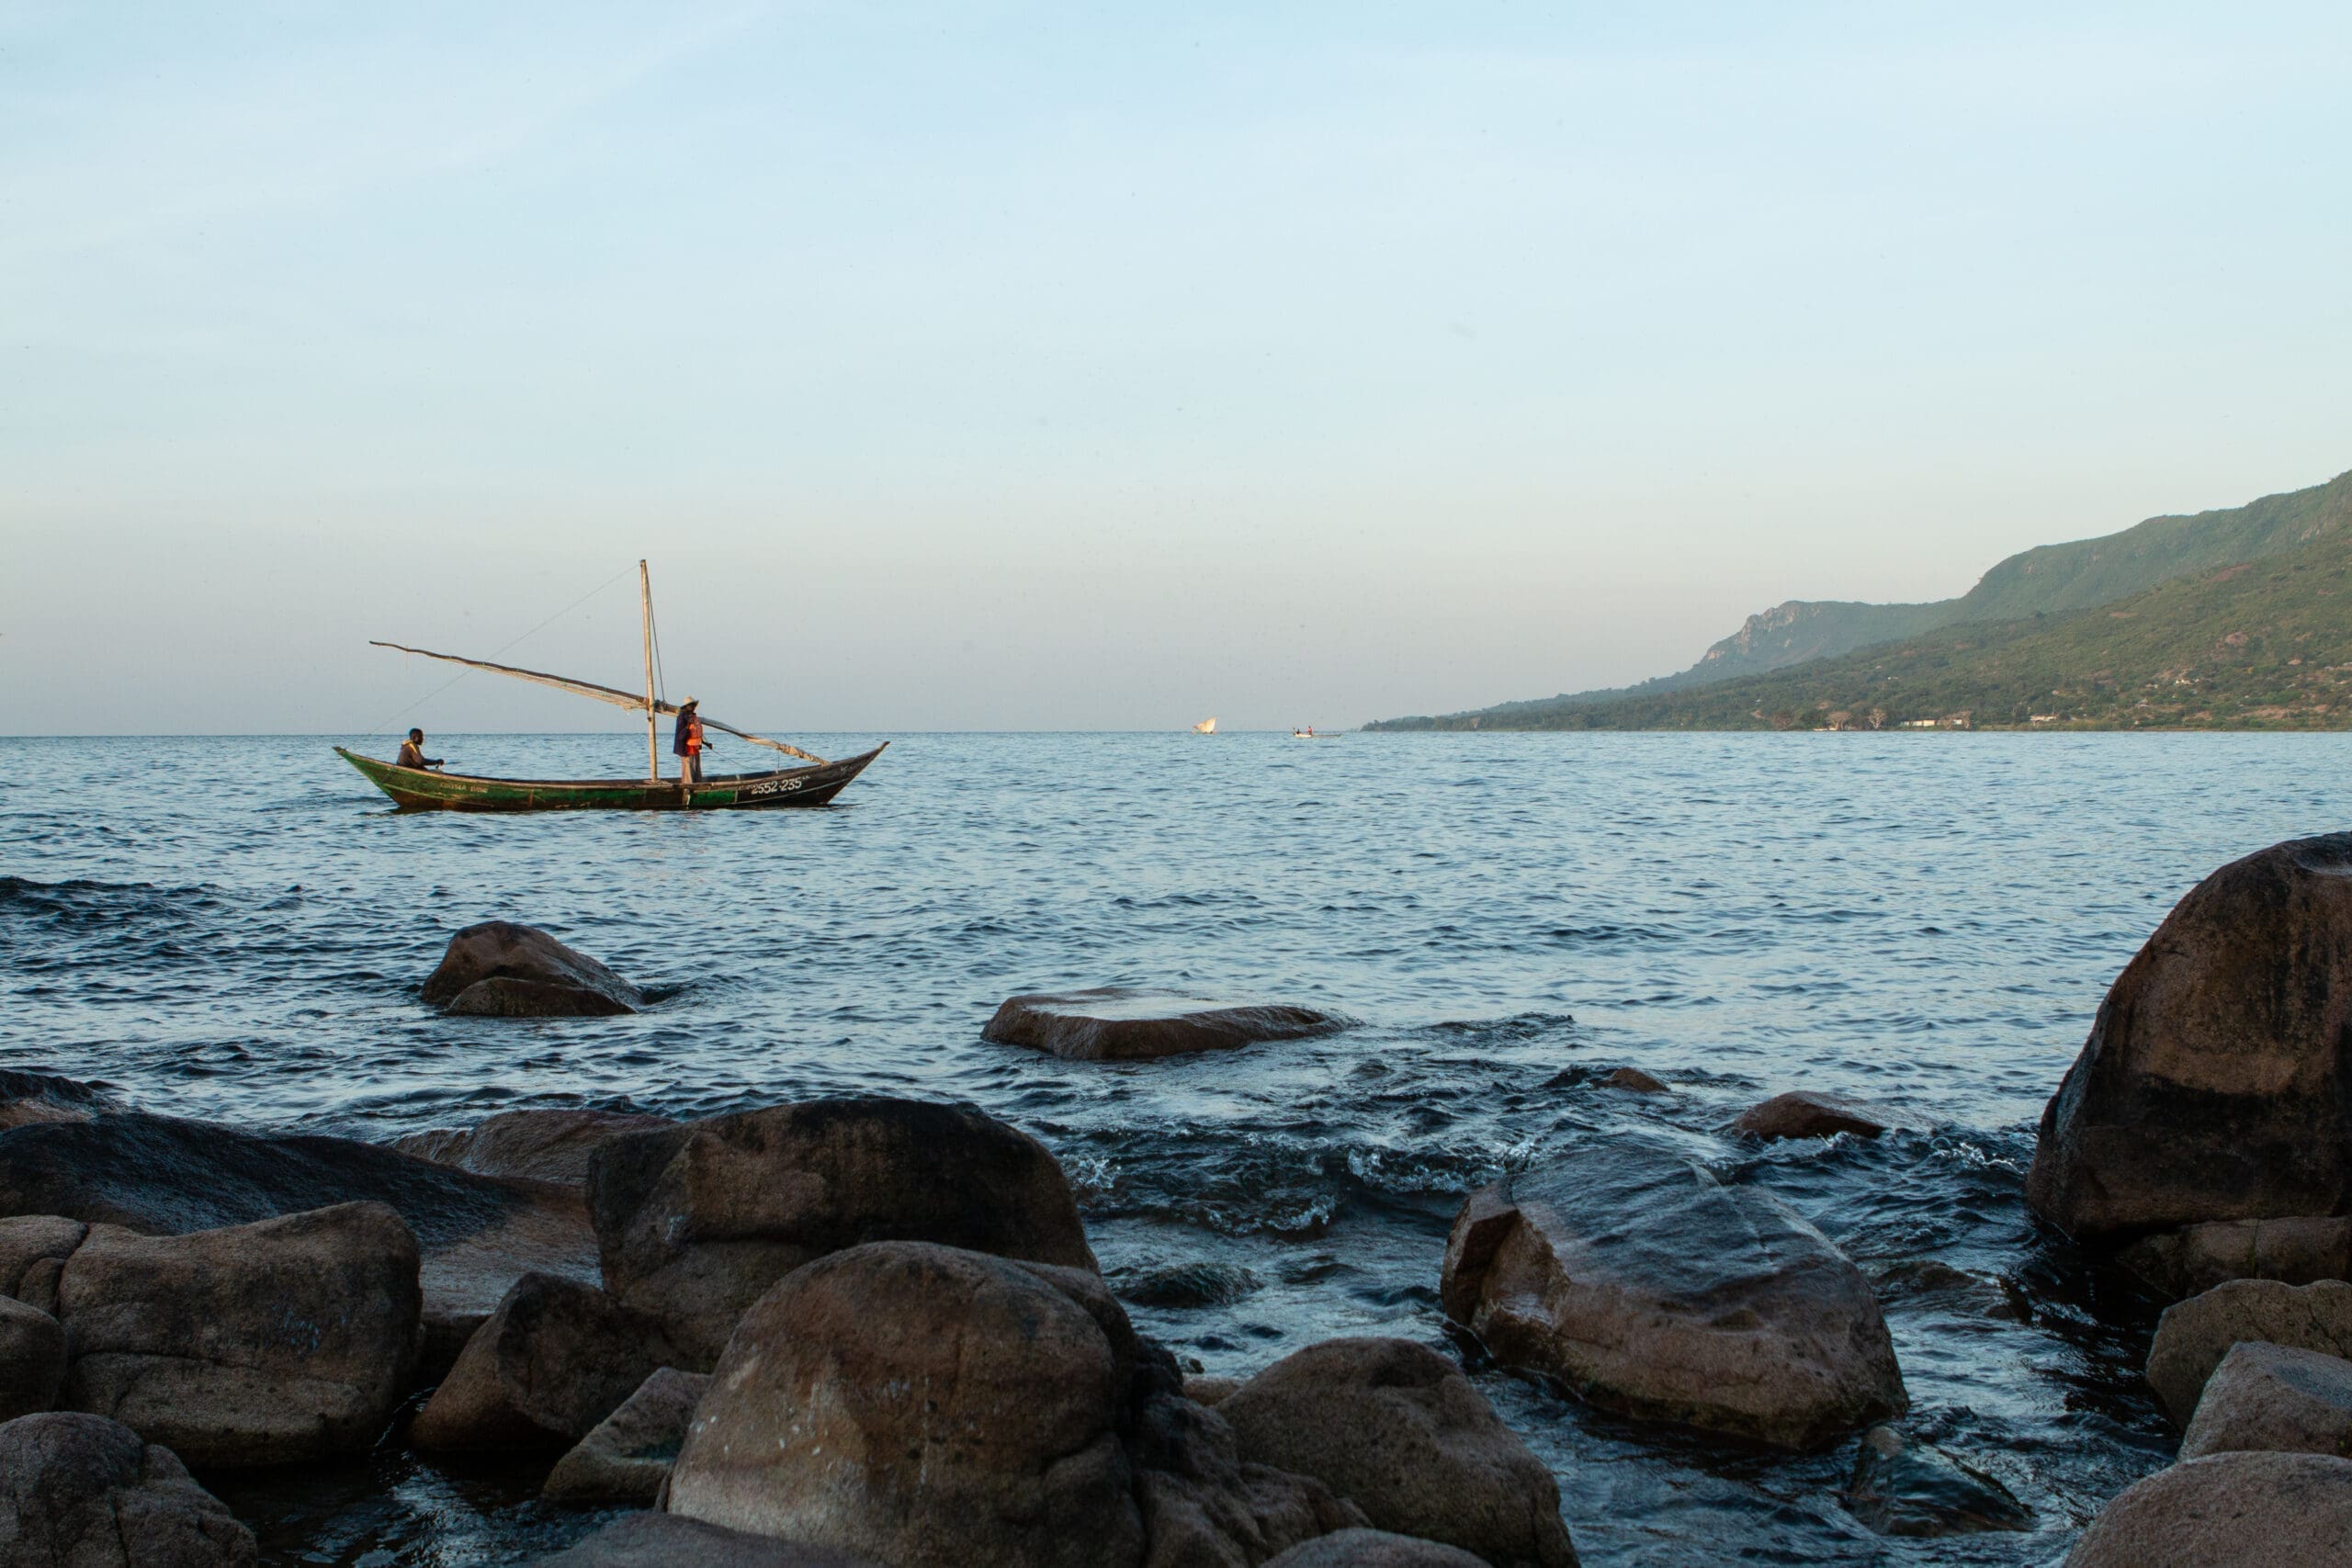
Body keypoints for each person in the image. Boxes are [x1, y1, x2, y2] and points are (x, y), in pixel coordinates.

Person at [673, 698, 707, 784]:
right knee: (688, 773)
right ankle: (688, 789)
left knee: (697, 771)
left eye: (693, 705)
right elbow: (680, 736)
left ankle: (698, 787)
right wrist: (688, 725)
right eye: (690, 705)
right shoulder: (682, 717)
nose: (692, 707)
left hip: (696, 749)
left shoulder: (694, 717)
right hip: (687, 750)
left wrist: (705, 743)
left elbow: (697, 733)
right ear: (686, 707)